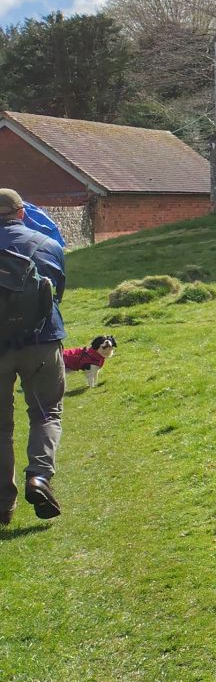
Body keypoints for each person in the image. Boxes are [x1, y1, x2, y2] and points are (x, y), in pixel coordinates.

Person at [0, 187, 65, 522]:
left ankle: (2, 504)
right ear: (22, 212)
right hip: (41, 341)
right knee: (45, 414)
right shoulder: (48, 245)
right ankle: (39, 477)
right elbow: (58, 293)